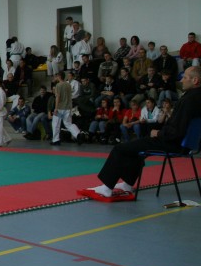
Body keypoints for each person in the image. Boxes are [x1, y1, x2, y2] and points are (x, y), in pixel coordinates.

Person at [81, 67, 201, 200]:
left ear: (195, 80)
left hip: (172, 143)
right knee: (136, 148)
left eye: (185, 77)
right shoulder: (196, 98)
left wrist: (158, 133)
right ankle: (127, 184)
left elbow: (177, 131)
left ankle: (106, 188)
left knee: (120, 148)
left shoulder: (189, 100)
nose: (182, 80)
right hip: (185, 144)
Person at [49, 72, 83, 146]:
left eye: (56, 76)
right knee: (68, 123)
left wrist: (56, 108)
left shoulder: (58, 85)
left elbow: (58, 97)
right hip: (68, 107)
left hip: (60, 107)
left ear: (59, 76)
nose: (55, 78)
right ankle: (77, 134)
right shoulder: (68, 85)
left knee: (55, 124)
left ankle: (55, 140)